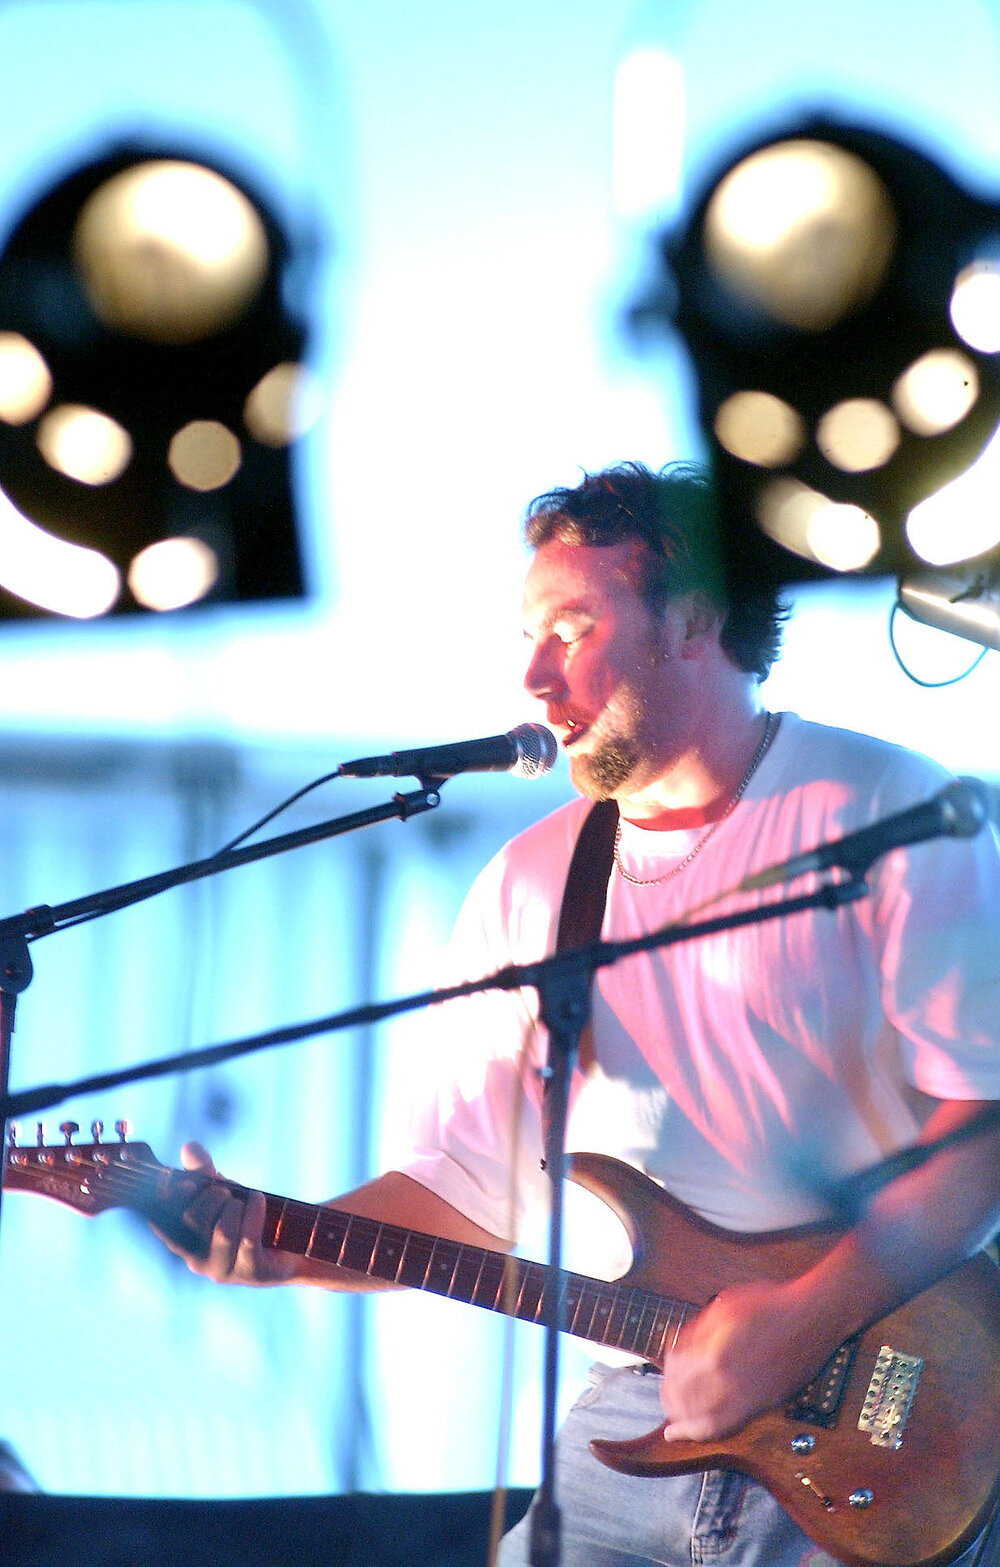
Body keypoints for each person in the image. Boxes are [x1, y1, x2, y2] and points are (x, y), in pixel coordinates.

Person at [157, 461, 1000, 1566]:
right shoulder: (528, 885)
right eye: (526, 635)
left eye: (570, 626)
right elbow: (463, 1189)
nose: (534, 676)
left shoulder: (888, 811)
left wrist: (802, 1317)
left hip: (888, 1408)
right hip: (636, 1408)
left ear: (690, 620)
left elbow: (983, 1133)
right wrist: (282, 1243)